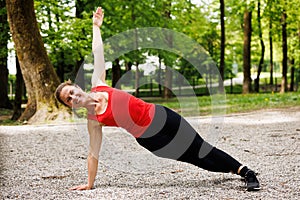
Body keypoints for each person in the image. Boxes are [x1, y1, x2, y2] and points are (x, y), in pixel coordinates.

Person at [55, 7, 260, 192]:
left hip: (162, 115)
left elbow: (97, 52)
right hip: (150, 139)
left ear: (77, 86)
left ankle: (245, 171)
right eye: (69, 99)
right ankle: (233, 170)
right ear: (70, 105)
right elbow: (93, 153)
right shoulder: (93, 121)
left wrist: (96, 27)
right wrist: (90, 184)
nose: (73, 97)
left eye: (71, 91)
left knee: (201, 146)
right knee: (195, 159)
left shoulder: (99, 83)